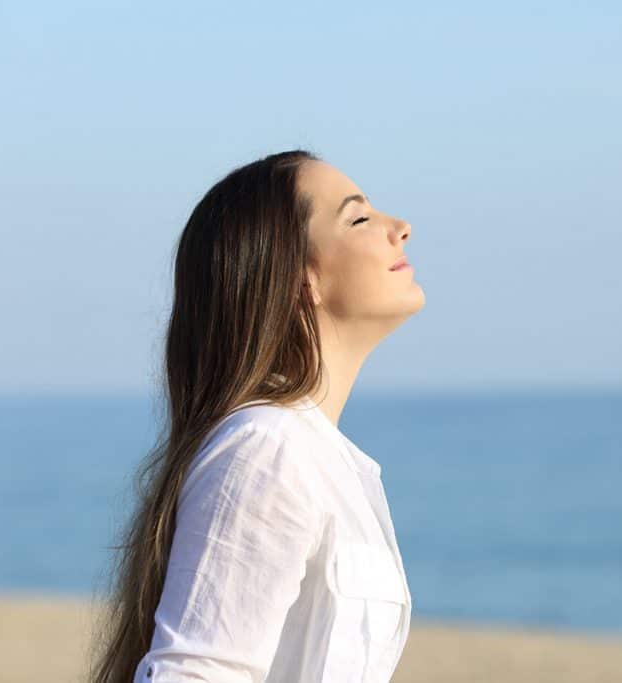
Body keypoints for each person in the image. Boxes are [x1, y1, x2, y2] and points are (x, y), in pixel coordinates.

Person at [87, 149, 426, 683]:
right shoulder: (268, 447)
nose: (400, 228)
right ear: (300, 279)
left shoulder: (314, 454)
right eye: (359, 217)